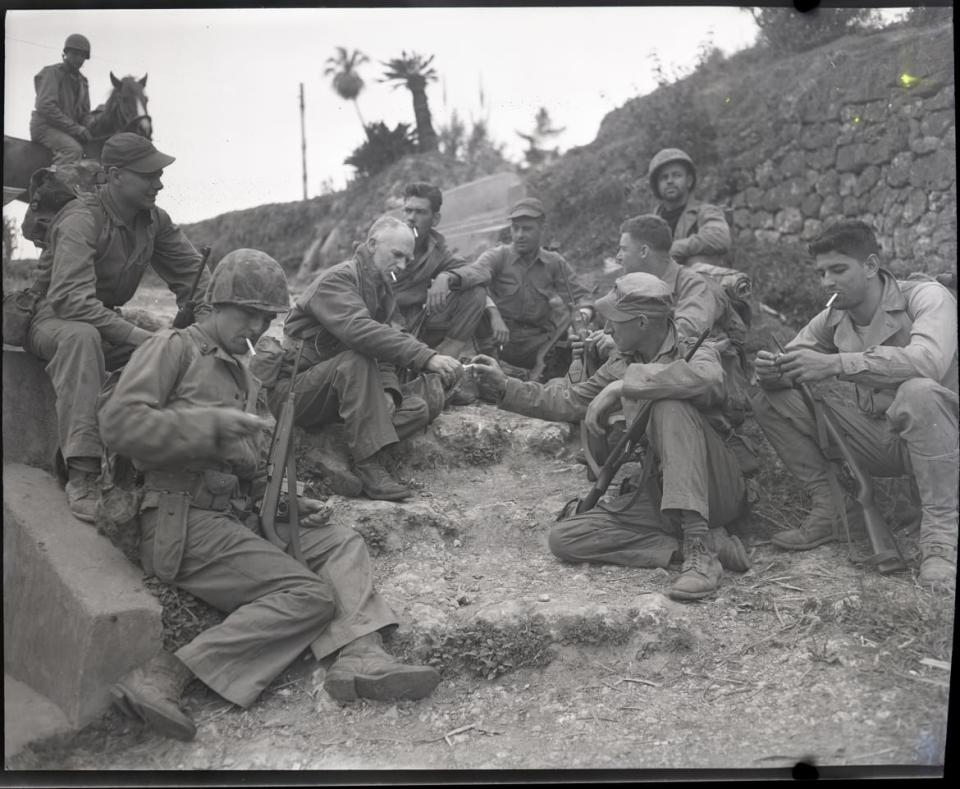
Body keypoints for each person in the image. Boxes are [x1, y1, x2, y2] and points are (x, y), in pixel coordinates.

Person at [100, 249, 441, 742]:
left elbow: (250, 470)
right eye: (249, 314)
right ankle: (166, 676)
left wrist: (286, 499)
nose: (258, 327)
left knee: (339, 541)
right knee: (306, 597)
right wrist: (209, 428)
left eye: (267, 317)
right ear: (217, 304)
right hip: (180, 518)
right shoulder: (174, 349)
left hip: (234, 514)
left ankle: (359, 656)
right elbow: (119, 424)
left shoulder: (246, 376)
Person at [470, 273, 752, 601]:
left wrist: (625, 385)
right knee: (566, 539)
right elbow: (569, 399)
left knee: (669, 404)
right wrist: (505, 385)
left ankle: (701, 553)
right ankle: (693, 544)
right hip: (662, 492)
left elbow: (709, 379)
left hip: (717, 486)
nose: (607, 329)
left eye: (615, 320)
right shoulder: (622, 361)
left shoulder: (693, 347)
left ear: (643, 322)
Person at [752, 220, 958, 591]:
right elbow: (792, 364)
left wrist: (836, 364)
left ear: (871, 265)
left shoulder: (927, 297)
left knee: (918, 391)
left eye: (838, 269)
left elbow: (928, 361)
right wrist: (772, 370)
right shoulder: (833, 318)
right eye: (821, 273)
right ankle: (834, 508)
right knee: (771, 398)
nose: (827, 282)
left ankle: (941, 541)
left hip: (947, 441)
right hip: (890, 439)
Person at [26, 132, 209, 522]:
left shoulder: (154, 220)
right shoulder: (81, 218)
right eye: (148, 175)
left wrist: (206, 330)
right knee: (82, 338)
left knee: (178, 347)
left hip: (104, 321)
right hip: (54, 319)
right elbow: (70, 300)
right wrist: (140, 337)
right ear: (114, 175)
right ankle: (83, 474)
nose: (158, 184)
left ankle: (169, 466)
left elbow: (195, 276)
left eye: (159, 175)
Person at [268, 215, 462, 502]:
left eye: (408, 259)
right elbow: (362, 333)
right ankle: (368, 464)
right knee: (355, 360)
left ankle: (348, 443)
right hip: (297, 393)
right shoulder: (338, 279)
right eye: (397, 254)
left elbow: (383, 351)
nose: (403, 264)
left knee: (418, 407)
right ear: (372, 244)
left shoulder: (380, 290)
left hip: (341, 392)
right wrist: (426, 357)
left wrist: (387, 390)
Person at [431, 197, 594, 375]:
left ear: (542, 229)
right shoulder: (498, 256)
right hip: (500, 341)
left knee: (584, 347)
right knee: (477, 299)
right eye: (515, 228)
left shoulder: (554, 262)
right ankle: (489, 370)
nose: (519, 235)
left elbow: (580, 297)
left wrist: (581, 319)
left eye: (527, 229)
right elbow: (475, 274)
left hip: (538, 344)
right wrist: (448, 277)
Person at [394, 182, 487, 360]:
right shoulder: (384, 242)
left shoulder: (436, 252)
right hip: (381, 324)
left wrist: (447, 277)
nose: (411, 218)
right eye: (408, 210)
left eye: (420, 212)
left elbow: (480, 271)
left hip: (415, 324)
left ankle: (441, 366)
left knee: (476, 292)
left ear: (435, 219)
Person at [647, 148, 731, 266]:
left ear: (689, 181)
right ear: (656, 185)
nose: (670, 181)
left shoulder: (706, 211)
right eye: (664, 177)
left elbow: (719, 238)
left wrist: (674, 248)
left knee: (697, 262)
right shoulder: (651, 221)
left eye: (677, 175)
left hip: (698, 281)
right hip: (660, 281)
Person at [30, 34, 94, 164]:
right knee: (72, 151)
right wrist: (76, 129)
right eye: (75, 54)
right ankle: (52, 184)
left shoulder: (83, 82)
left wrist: (94, 125)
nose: (79, 58)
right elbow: (45, 106)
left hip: (67, 131)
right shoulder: (52, 72)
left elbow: (85, 114)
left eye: (82, 55)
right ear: (66, 53)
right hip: (45, 127)